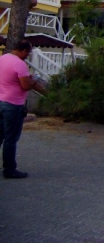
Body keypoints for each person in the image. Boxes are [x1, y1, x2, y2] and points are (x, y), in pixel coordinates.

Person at [0, 39, 45, 179]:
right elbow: (25, 85)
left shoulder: (3, 58)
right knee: (11, 138)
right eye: (28, 53)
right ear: (24, 51)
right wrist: (33, 82)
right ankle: (9, 169)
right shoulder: (20, 64)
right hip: (13, 104)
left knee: (0, 135)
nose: (28, 55)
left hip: (1, 100)